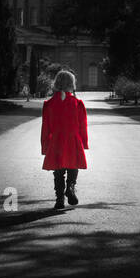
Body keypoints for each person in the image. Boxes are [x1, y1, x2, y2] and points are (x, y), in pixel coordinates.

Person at [41, 70, 87, 210]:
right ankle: (71, 187)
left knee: (58, 172)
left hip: (56, 141)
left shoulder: (49, 104)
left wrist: (45, 146)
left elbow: (46, 128)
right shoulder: (77, 103)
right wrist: (84, 143)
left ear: (56, 84)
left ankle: (59, 199)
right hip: (73, 140)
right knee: (73, 166)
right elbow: (82, 126)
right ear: (72, 84)